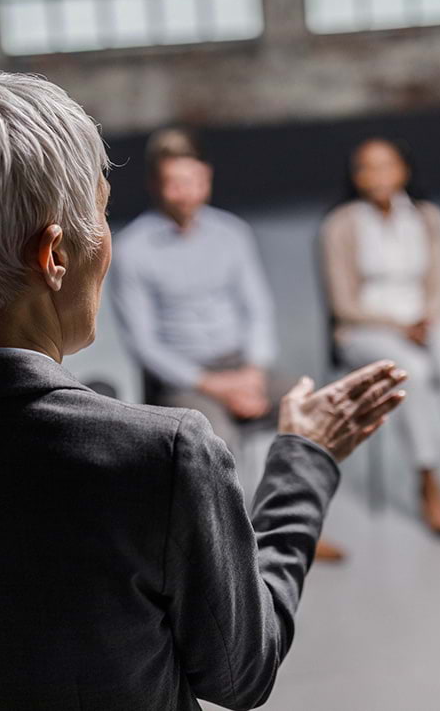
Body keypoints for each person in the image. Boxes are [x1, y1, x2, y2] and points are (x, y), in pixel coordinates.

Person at [0, 72, 406, 709]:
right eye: (101, 213)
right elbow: (242, 672)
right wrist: (304, 457)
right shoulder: (159, 455)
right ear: (53, 255)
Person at [111, 128, 345, 561]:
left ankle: (291, 525)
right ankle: (235, 552)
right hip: (185, 376)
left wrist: (253, 373)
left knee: (313, 408)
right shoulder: (133, 249)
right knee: (216, 436)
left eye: (195, 181)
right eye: (174, 183)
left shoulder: (231, 233)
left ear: (208, 178)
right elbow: (144, 344)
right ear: (155, 184)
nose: (186, 193)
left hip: (242, 364)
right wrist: (219, 386)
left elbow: (257, 308)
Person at [320, 137, 440, 539]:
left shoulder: (427, 217)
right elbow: (343, 303)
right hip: (366, 328)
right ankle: (428, 479)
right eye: (366, 167)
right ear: (355, 175)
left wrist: (427, 319)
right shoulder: (340, 225)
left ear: (404, 170)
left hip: (425, 319)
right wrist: (398, 327)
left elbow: (439, 283)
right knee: (409, 370)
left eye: (386, 165)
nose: (377, 175)